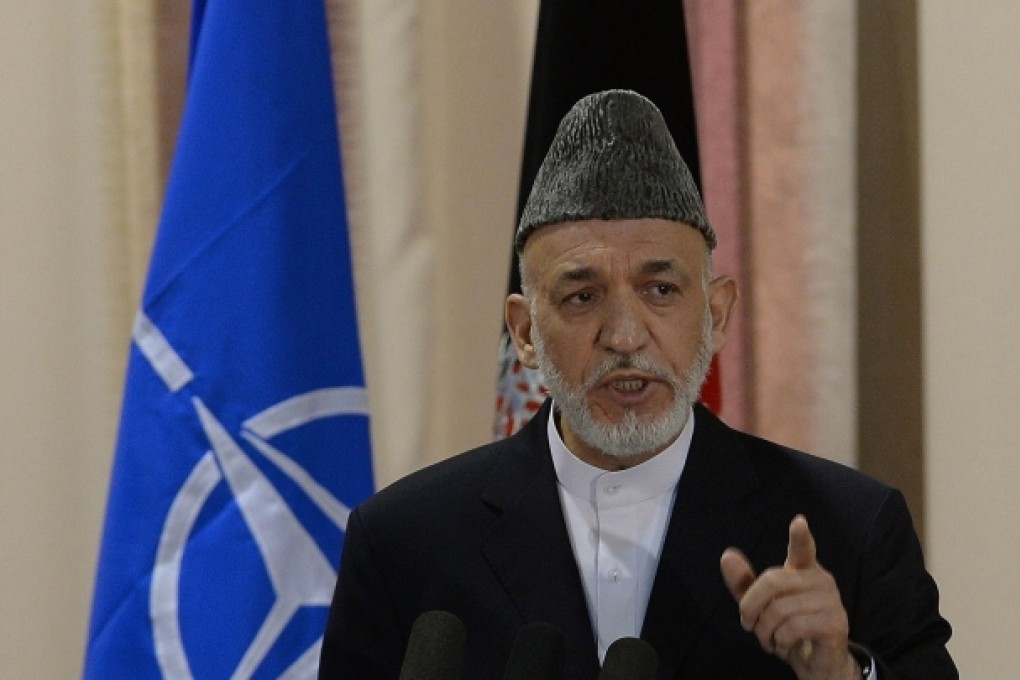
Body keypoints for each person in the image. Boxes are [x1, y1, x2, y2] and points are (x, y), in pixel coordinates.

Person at [318, 90, 956, 679]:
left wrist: (844, 675)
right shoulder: (405, 543)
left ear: (715, 314)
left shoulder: (853, 529)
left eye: (660, 290)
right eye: (581, 295)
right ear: (525, 332)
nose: (624, 335)